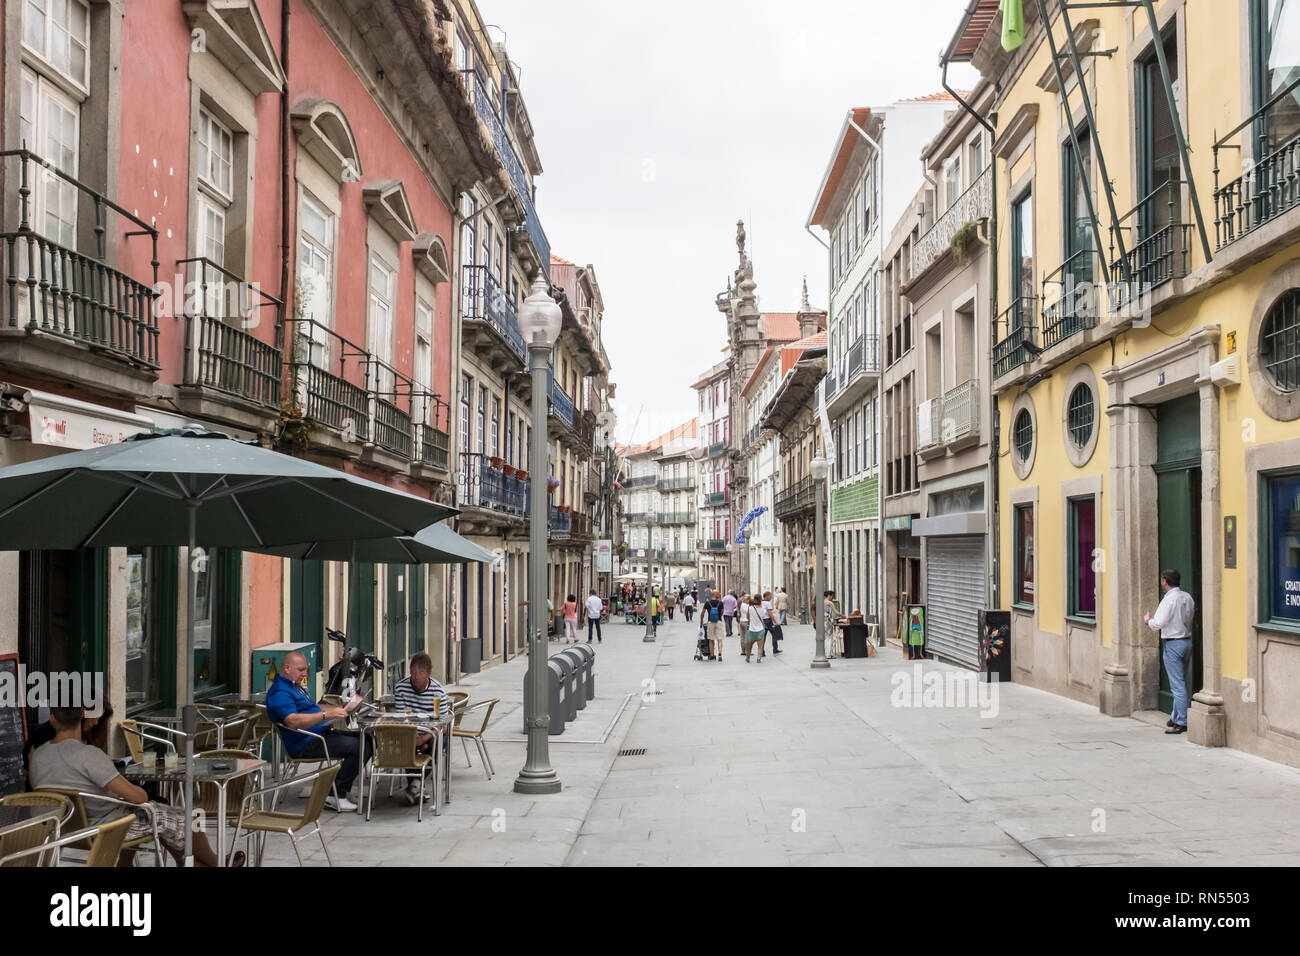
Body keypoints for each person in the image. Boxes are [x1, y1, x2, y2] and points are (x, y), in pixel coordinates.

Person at [30, 706, 237, 866]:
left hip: (62, 830)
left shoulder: (38, 755)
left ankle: (194, 864)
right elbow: (138, 798)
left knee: (156, 817)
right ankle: (217, 864)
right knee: (187, 817)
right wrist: (139, 791)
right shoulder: (88, 755)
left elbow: (39, 788)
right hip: (105, 828)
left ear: (52, 719)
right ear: (84, 715)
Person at [266, 651, 371, 811]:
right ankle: (336, 794)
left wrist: (341, 709)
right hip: (306, 742)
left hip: (320, 734)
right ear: (287, 668)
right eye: (301, 670)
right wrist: (325, 715)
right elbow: (292, 721)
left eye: (305, 670)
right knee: (360, 746)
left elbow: (312, 709)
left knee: (367, 739)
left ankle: (338, 788)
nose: (304, 674)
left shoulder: (295, 687)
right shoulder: (280, 692)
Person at [391, 652, 450, 804]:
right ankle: (417, 787)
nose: (416, 676)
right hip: (410, 731)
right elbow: (402, 719)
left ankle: (415, 784)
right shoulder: (401, 688)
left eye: (420, 672)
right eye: (413, 672)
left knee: (435, 744)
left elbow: (443, 725)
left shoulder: (438, 691)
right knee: (406, 744)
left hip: (432, 733)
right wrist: (414, 738)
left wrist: (423, 739)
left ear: (428, 673)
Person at [1144, 568, 1196, 735]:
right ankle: (1175, 716)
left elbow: (1158, 622)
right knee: (1179, 681)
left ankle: (1182, 721)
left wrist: (1148, 621)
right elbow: (1190, 616)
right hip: (1186, 641)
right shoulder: (1187, 597)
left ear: (1164, 581)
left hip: (1173, 644)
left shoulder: (1169, 600)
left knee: (1177, 684)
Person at [701, 588, 724, 661]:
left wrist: (701, 620)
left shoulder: (707, 603)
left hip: (710, 622)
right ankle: (720, 654)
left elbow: (703, 612)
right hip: (719, 621)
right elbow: (722, 612)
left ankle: (712, 655)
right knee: (719, 639)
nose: (719, 594)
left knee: (711, 639)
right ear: (715, 595)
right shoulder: (720, 603)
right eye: (718, 593)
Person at [742, 595, 767, 662]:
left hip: (751, 630)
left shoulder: (750, 608)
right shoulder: (763, 609)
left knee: (749, 646)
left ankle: (747, 658)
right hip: (761, 630)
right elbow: (763, 617)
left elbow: (747, 617)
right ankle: (758, 659)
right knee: (760, 646)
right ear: (761, 600)